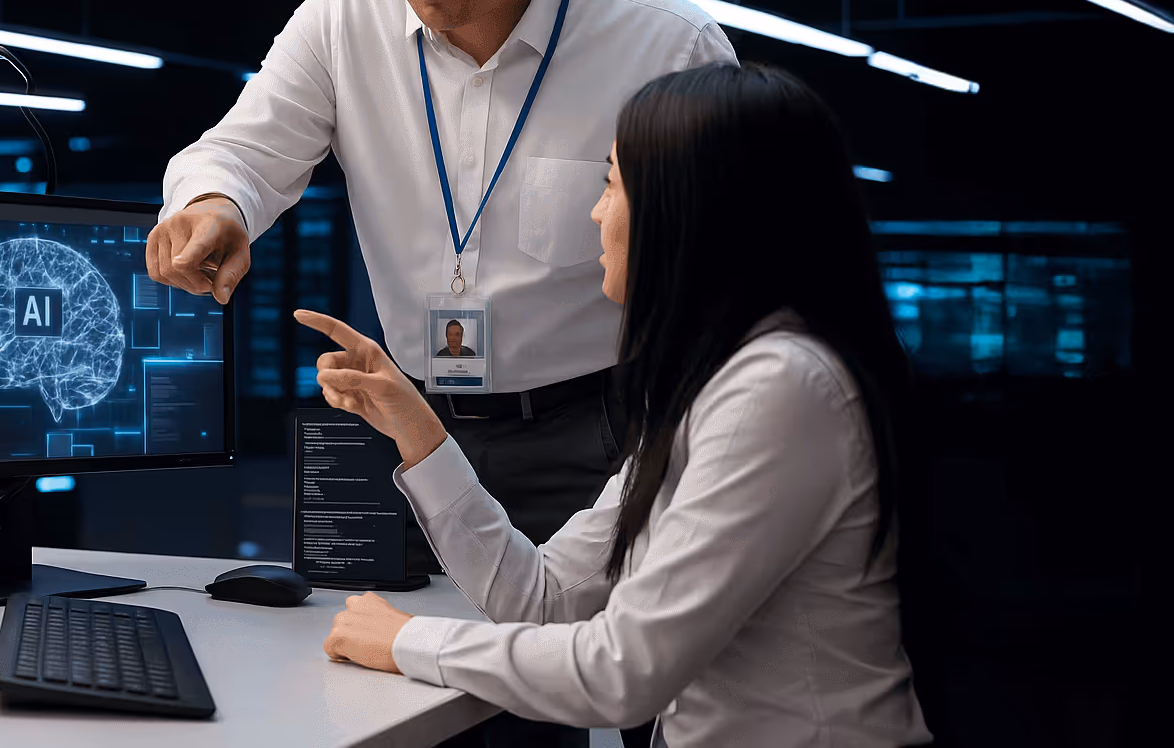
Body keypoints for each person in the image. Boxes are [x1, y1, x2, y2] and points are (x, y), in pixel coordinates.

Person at [149, 0, 735, 551]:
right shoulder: (344, 12)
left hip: (597, 436)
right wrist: (215, 205)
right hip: (407, 425)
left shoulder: (661, 45)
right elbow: (243, 152)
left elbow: (723, 281)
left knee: (574, 660)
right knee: (374, 658)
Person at [305, 63, 930, 747]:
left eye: (609, 184)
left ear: (684, 212)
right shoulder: (717, 382)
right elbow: (542, 600)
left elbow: (622, 672)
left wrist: (409, 641)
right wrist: (418, 433)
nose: (596, 213)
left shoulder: (780, 388)